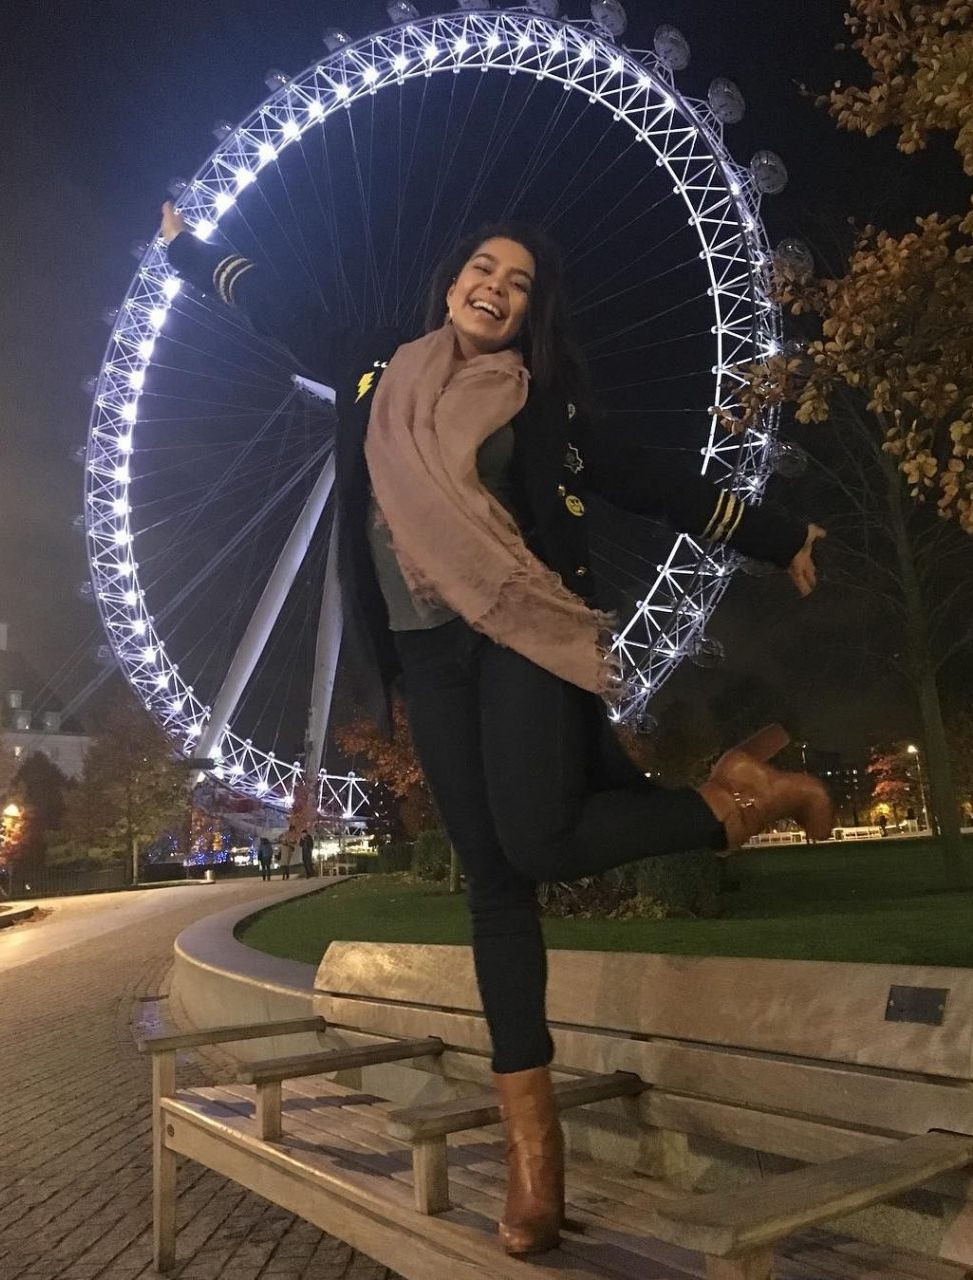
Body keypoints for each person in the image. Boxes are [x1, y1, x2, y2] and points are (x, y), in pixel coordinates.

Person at [161, 204, 832, 1256]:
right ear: (450, 282)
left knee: (535, 838)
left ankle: (729, 801)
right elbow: (277, 306)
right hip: (423, 658)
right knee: (495, 885)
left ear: (528, 312)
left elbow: (649, 480)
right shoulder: (375, 368)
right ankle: (535, 1155)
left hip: (518, 632)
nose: (495, 285)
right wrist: (186, 251)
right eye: (483, 266)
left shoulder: (539, 407)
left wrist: (777, 531)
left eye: (517, 281)